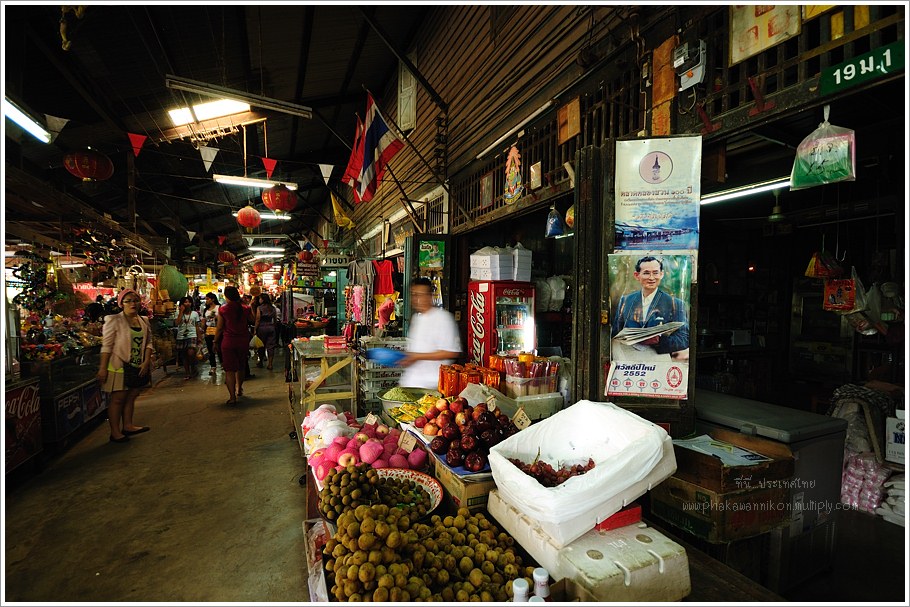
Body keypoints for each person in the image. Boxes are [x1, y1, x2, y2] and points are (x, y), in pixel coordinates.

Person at [96, 289, 154, 443]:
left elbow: (149, 343)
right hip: (119, 365)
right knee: (118, 399)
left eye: (135, 300)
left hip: (137, 365)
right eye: (128, 301)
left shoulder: (144, 320)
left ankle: (128, 425)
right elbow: (106, 346)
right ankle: (115, 432)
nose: (133, 304)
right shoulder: (114, 320)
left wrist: (146, 361)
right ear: (121, 303)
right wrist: (102, 368)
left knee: (131, 396)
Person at [611, 255, 689, 360]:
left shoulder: (675, 303)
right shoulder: (626, 301)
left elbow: (684, 339)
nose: (651, 278)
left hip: (658, 361)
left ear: (661, 274)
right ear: (637, 275)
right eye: (646, 273)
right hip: (627, 359)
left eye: (655, 273)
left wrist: (659, 341)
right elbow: (615, 333)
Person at [399, 277, 461, 390]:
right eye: (414, 295)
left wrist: (417, 356)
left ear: (430, 296)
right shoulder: (417, 318)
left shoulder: (443, 318)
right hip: (411, 383)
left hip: (431, 386)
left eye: (420, 295)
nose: (416, 299)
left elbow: (451, 352)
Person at [214, 286, 254, 404]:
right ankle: (239, 389)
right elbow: (252, 320)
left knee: (229, 370)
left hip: (229, 342)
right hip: (243, 341)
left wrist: (215, 341)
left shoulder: (223, 309)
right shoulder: (245, 308)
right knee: (241, 366)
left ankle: (232, 397)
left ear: (226, 296)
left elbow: (220, 327)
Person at [175, 296, 203, 379]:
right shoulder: (178, 312)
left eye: (189, 302)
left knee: (191, 353)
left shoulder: (195, 314)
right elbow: (177, 323)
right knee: (184, 356)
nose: (187, 304)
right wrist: (181, 312)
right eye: (185, 302)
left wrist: (199, 337)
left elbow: (197, 326)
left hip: (192, 335)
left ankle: (193, 368)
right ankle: (187, 373)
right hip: (181, 336)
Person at [254, 293, 278, 370]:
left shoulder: (259, 308)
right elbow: (275, 319)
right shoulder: (272, 308)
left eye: (260, 298)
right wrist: (274, 327)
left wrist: (255, 329)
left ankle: (260, 361)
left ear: (263, 299)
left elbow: (258, 319)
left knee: (261, 345)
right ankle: (270, 364)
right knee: (271, 346)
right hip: (271, 327)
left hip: (262, 328)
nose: (259, 300)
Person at [201, 292, 220, 375]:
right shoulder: (205, 310)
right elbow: (204, 321)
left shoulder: (219, 308)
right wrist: (203, 330)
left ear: (213, 299)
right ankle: (213, 366)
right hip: (209, 331)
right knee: (210, 350)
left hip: (218, 330)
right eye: (206, 299)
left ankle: (223, 364)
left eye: (208, 299)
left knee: (220, 349)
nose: (206, 300)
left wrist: (217, 318)